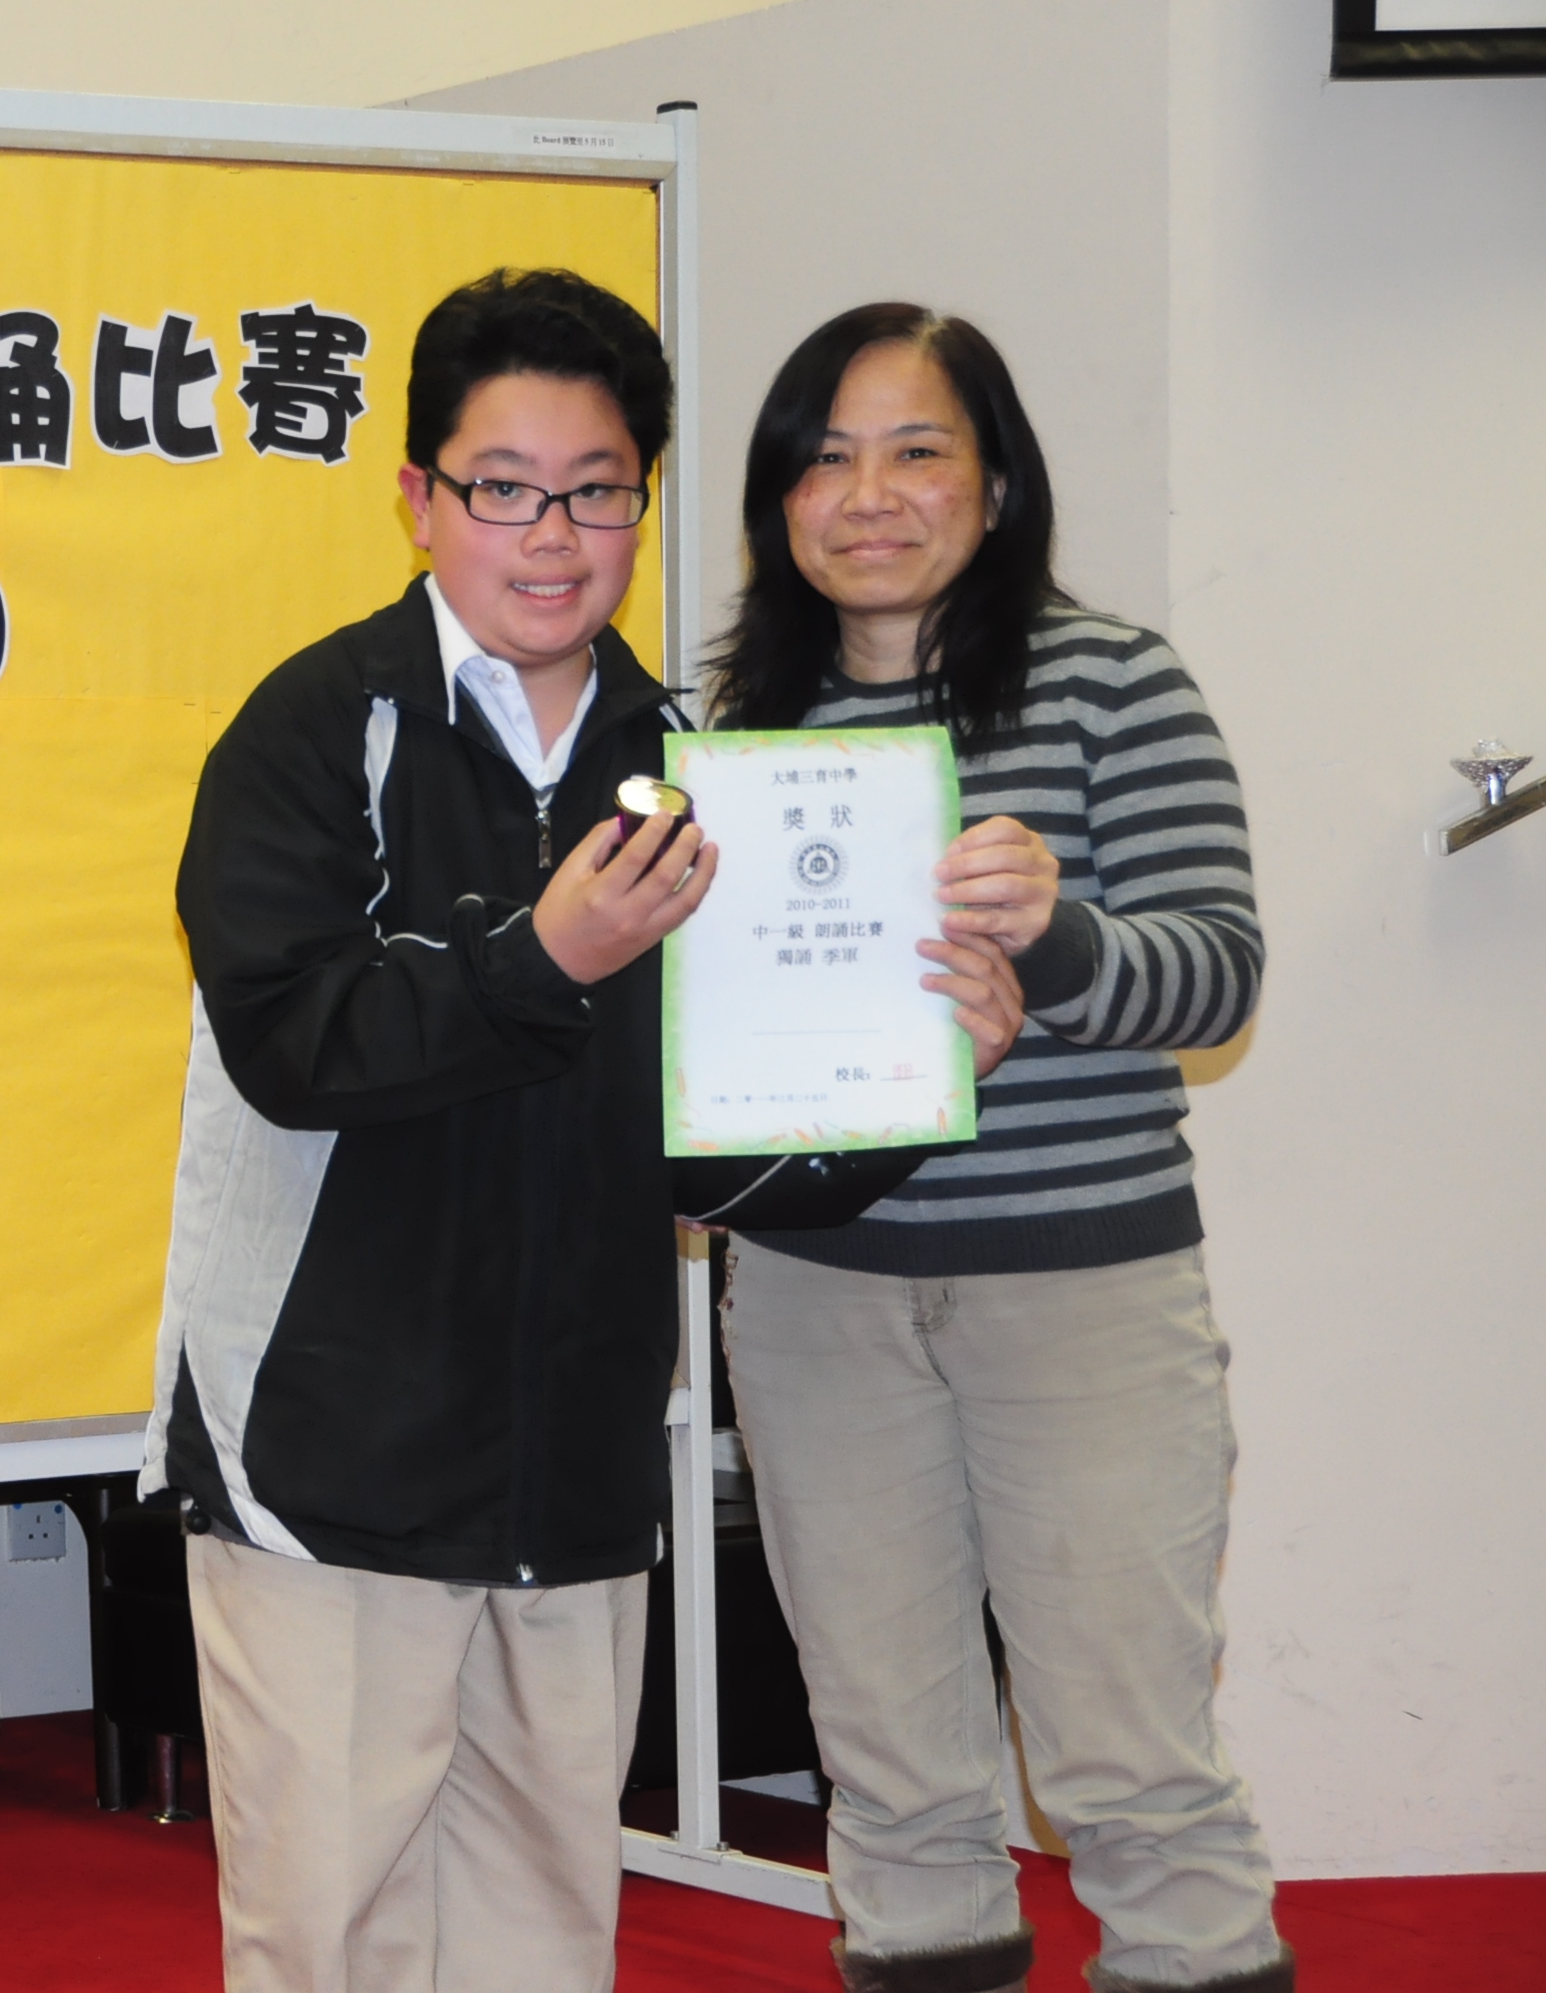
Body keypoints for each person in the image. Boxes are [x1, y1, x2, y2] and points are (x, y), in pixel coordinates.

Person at [144, 269, 1025, 1993]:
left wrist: (921, 1082)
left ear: (645, 502)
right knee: (328, 1935)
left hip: (576, 1453)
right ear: (420, 498)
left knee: (547, 1929)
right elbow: (294, 1045)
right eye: (505, 488)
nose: (552, 537)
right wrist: (545, 957)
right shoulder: (315, 727)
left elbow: (712, 1149)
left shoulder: (695, 759)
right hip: (331, 1460)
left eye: (599, 491)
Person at [707, 305, 1284, 1993]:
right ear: (779, 500)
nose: (867, 495)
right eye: (824, 459)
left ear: (998, 480)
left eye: (916, 451)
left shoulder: (1115, 682)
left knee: (1129, 1757)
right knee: (886, 1763)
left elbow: (1220, 976)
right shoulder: (737, 726)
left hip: (1080, 1292)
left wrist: (1060, 936)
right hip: (815, 1298)